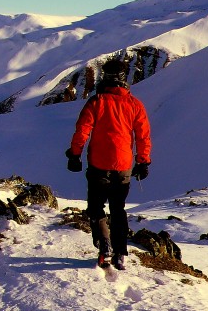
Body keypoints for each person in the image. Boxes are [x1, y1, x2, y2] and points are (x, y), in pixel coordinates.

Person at [65, 58, 151, 270]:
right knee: (118, 209)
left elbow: (82, 130)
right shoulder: (135, 105)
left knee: (96, 207)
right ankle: (120, 252)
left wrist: (75, 155)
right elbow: (143, 136)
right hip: (123, 165)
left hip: (98, 165)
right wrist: (143, 161)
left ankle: (104, 245)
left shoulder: (97, 102)